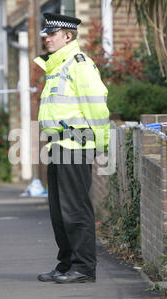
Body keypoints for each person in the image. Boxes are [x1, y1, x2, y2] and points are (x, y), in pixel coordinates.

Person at [34, 13, 110, 284]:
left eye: (51, 34)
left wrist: (101, 144)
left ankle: (84, 268)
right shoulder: (57, 66)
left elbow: (97, 107)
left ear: (68, 36)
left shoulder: (79, 64)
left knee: (75, 210)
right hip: (58, 146)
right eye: (46, 33)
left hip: (75, 145)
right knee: (58, 211)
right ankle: (66, 264)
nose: (47, 37)